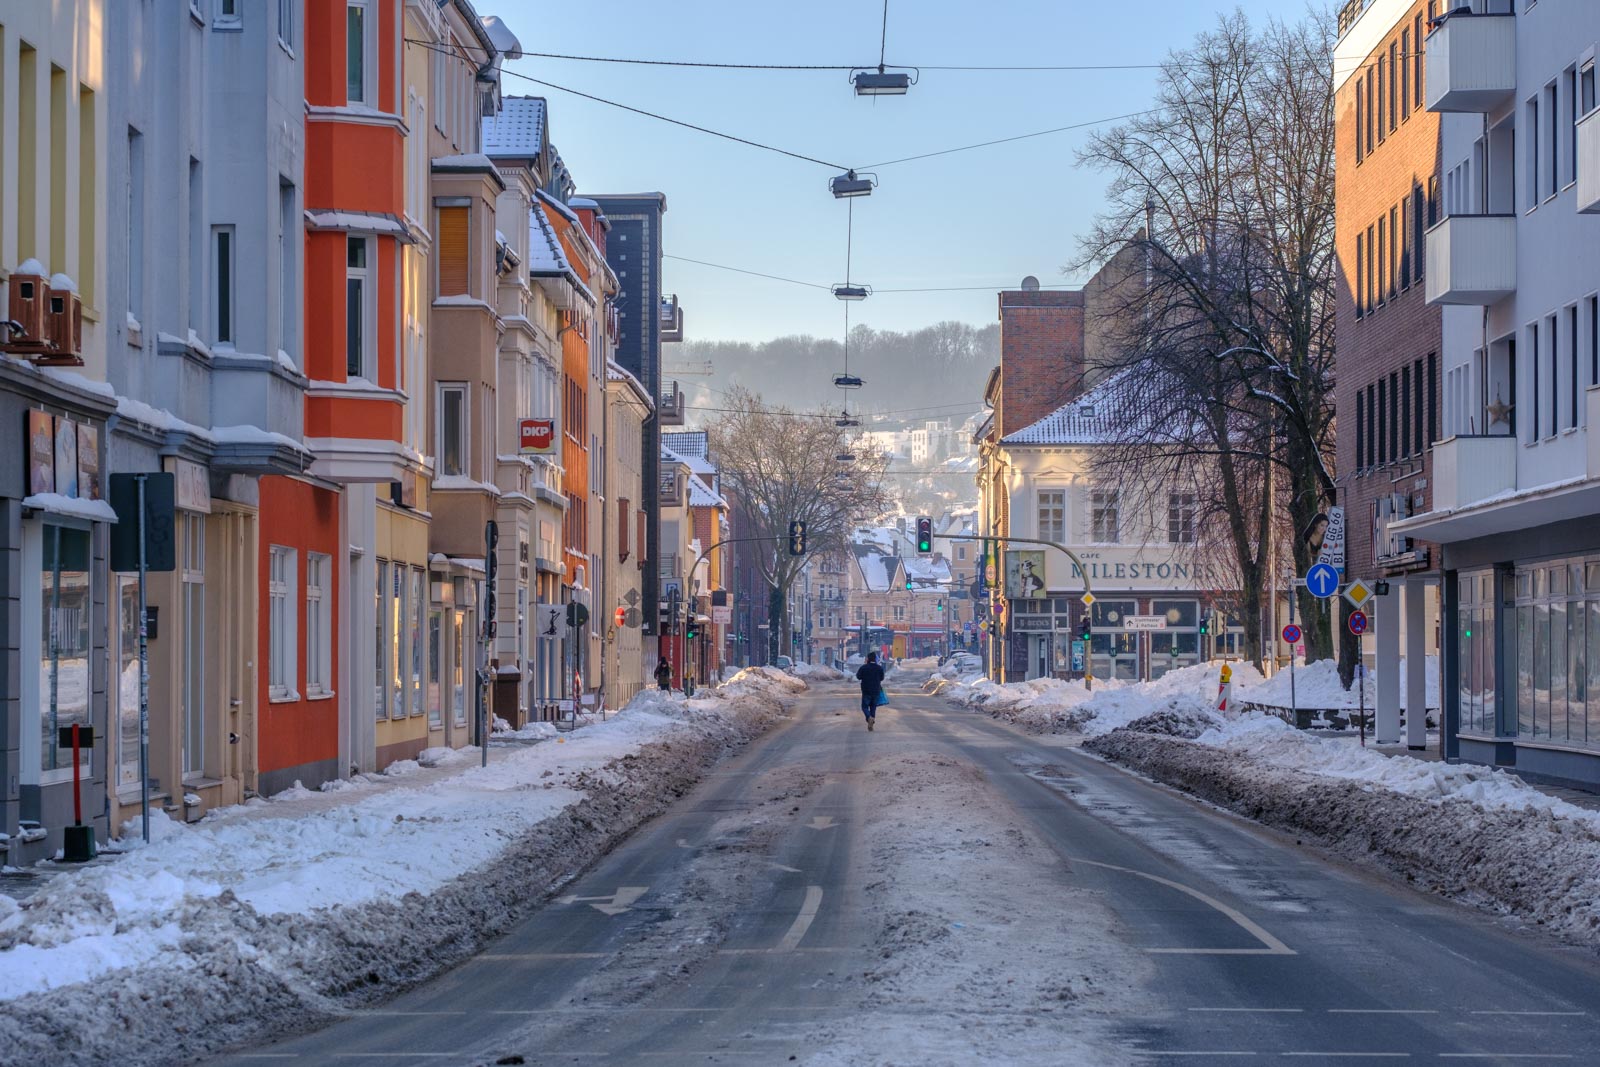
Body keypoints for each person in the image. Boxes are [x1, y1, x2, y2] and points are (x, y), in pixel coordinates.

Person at [855, 651, 885, 731]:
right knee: (873, 707)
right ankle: (871, 720)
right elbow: (882, 678)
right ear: (875, 659)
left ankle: (869, 718)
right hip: (876, 690)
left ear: (868, 659)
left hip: (866, 690)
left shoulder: (863, 667)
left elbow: (858, 676)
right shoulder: (879, 668)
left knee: (864, 707)